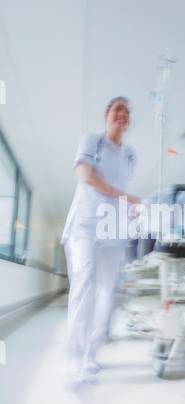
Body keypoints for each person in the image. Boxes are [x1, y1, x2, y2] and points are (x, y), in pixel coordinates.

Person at [61, 96, 141, 383]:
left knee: (107, 291)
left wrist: (133, 212)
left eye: (127, 112)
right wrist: (128, 197)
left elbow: (123, 193)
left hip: (113, 230)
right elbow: (85, 175)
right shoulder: (92, 141)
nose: (123, 114)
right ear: (107, 114)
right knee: (84, 283)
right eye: (118, 109)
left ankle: (90, 353)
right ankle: (74, 358)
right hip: (84, 224)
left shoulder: (130, 155)